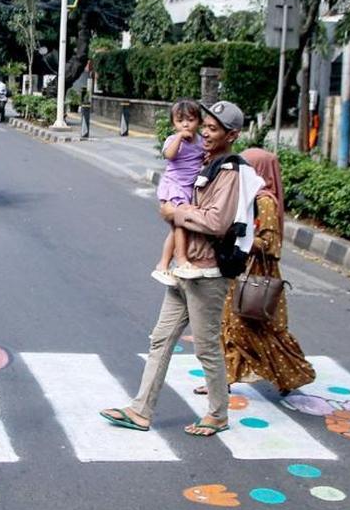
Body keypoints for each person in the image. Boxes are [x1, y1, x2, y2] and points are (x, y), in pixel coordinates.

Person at [100, 101, 260, 437]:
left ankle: (218, 413)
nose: (205, 132)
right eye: (206, 126)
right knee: (160, 339)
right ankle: (140, 410)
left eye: (214, 130)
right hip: (184, 270)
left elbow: (217, 222)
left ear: (232, 135)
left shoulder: (228, 172)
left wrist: (177, 214)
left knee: (205, 347)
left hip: (207, 273)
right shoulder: (206, 162)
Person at [194, 148, 316, 396]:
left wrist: (235, 235)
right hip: (241, 272)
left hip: (258, 274)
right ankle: (221, 381)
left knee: (253, 328)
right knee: (230, 325)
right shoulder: (247, 197)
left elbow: (269, 244)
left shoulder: (265, 201)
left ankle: (291, 375)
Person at [151, 100, 205, 285]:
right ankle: (181, 260)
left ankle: (163, 264)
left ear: (199, 121)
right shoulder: (173, 141)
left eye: (190, 120)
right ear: (173, 123)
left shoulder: (201, 142)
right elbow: (169, 155)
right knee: (180, 224)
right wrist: (179, 137)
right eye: (180, 121)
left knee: (175, 229)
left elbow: (205, 159)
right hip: (173, 187)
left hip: (188, 189)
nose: (185, 124)